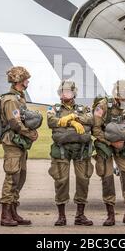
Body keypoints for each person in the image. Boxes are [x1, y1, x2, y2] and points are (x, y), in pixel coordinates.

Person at [92, 80, 125, 226]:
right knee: (107, 177)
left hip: (123, 145)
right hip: (106, 145)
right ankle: (110, 215)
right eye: (122, 96)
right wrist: (111, 142)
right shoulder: (102, 106)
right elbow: (95, 130)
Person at [47, 80, 94, 226]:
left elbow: (91, 119)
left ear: (74, 93)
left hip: (81, 150)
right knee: (61, 181)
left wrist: (76, 117)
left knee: (83, 180)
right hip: (62, 150)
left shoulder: (83, 108)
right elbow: (50, 121)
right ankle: (62, 216)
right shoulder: (54, 108)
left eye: (67, 91)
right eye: (62, 91)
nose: (64, 94)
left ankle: (80, 215)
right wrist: (70, 121)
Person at [0, 66, 39, 226]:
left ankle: (13, 212)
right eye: (26, 79)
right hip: (12, 143)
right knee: (12, 177)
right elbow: (15, 123)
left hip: (19, 143)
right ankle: (5, 215)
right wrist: (31, 134)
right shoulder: (11, 100)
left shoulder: (19, 97)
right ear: (19, 81)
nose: (28, 81)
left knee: (20, 178)